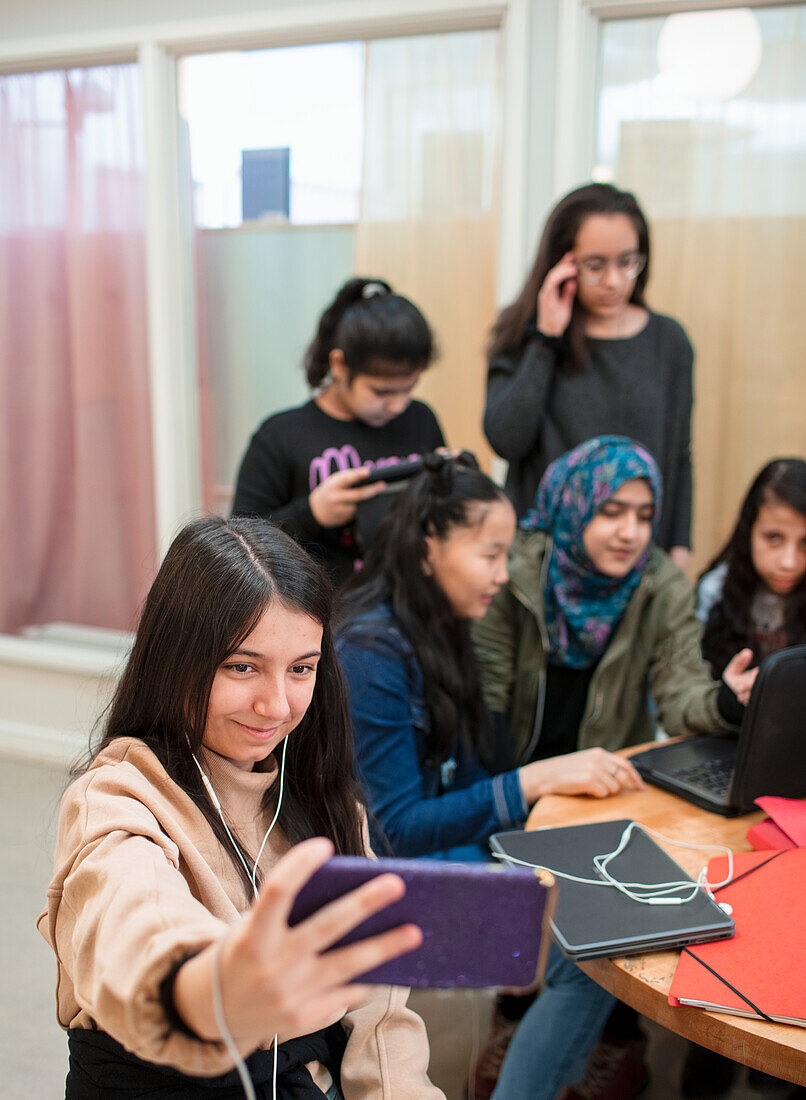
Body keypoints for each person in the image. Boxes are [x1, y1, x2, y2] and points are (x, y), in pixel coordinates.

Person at [38, 516, 444, 1100]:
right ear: (176, 660)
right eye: (242, 666)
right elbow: (132, 925)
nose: (276, 705)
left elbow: (379, 1024)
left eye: (301, 668)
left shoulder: (329, 806)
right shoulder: (116, 799)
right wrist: (215, 990)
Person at [335, 453, 639, 1100]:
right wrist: (533, 783)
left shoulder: (438, 625)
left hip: (439, 859)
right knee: (593, 959)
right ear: (428, 550)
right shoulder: (369, 653)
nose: (503, 576)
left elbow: (466, 775)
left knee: (597, 908)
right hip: (382, 889)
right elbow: (400, 832)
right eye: (490, 555)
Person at [470, 436, 758, 1099]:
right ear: (573, 508)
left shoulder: (659, 585)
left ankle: (602, 1037)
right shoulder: (516, 572)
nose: (629, 532)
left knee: (637, 918)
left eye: (644, 514)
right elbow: (483, 706)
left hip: (600, 795)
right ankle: (521, 1020)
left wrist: (722, 699)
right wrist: (510, 797)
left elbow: (682, 692)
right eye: (611, 511)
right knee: (550, 936)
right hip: (515, 785)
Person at [484, 182, 693, 570]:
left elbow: (679, 455)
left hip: (635, 561)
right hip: (540, 565)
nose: (614, 281)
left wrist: (680, 551)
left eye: (627, 262)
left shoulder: (669, 342)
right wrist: (545, 340)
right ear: (562, 263)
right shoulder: (523, 335)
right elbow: (506, 439)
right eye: (595, 266)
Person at [232, 277, 444, 585]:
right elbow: (237, 545)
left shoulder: (420, 419)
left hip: (409, 609)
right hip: (320, 617)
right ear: (340, 365)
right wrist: (312, 513)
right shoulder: (280, 436)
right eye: (382, 392)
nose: (398, 406)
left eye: (409, 389)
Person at [698, 457, 806, 677]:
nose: (789, 562)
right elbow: (692, 685)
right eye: (774, 538)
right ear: (749, 530)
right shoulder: (715, 591)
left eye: (805, 543)